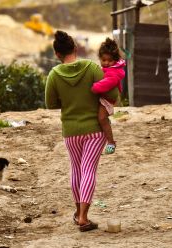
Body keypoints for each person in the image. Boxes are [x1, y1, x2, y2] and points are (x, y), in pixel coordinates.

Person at [45, 31, 119, 232]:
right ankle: (84, 218)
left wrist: (68, 100)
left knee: (76, 169)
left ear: (57, 54)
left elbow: (50, 103)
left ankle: (79, 213)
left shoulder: (54, 75)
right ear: (75, 49)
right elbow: (112, 92)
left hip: (70, 131)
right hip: (94, 130)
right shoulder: (92, 68)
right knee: (88, 170)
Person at [91, 38, 126, 154]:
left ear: (115, 60)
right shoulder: (109, 68)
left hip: (107, 100)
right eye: (103, 59)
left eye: (109, 60)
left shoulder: (114, 72)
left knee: (101, 118)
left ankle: (111, 142)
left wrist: (94, 87)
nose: (106, 62)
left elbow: (106, 84)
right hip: (103, 97)